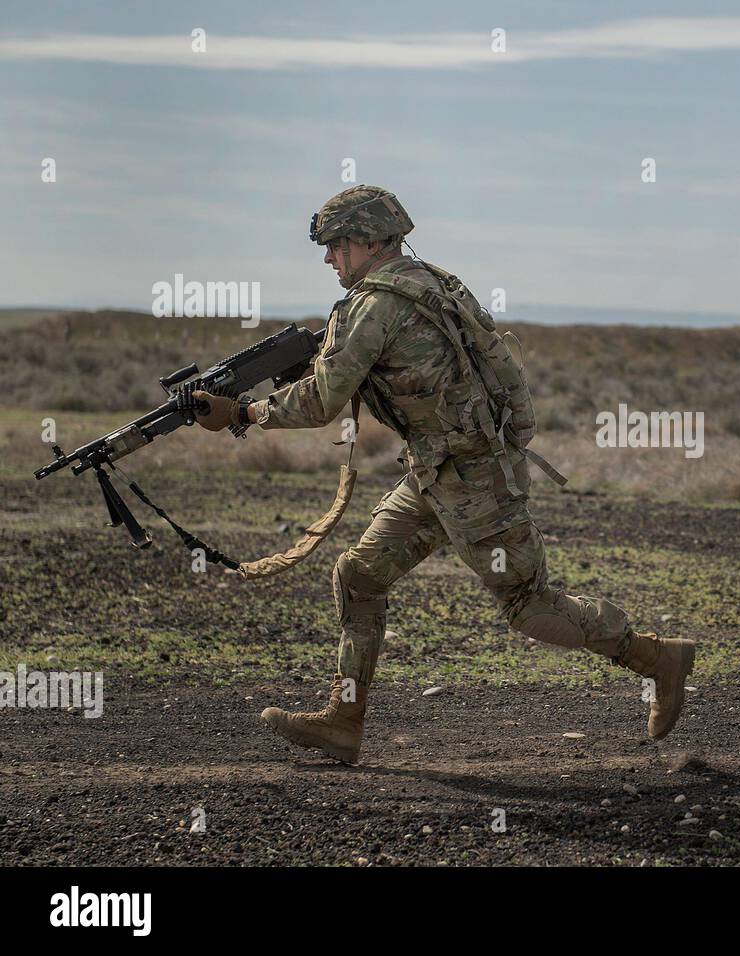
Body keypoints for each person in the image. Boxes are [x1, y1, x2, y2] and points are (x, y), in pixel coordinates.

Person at [193, 185, 695, 763]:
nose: (328, 259)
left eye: (333, 246)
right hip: (440, 470)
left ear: (365, 240)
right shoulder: (433, 281)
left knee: (530, 608)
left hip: (474, 480)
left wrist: (245, 413)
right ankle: (343, 720)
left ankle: (656, 658)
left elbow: (322, 402)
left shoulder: (372, 306)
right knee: (360, 576)